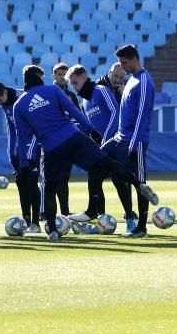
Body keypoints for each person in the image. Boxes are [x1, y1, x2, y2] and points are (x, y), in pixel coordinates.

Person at [13, 65, 159, 242]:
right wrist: (92, 130)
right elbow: (73, 111)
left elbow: (22, 137)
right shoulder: (52, 90)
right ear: (40, 80)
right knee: (105, 163)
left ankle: (52, 230)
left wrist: (23, 165)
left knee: (51, 188)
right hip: (73, 136)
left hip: (51, 148)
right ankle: (139, 184)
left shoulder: (19, 105)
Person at [101, 44, 156, 238]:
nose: (122, 67)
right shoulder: (131, 79)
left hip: (136, 140)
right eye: (120, 63)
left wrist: (134, 144)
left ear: (134, 59)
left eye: (124, 63)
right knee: (99, 159)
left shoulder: (144, 82)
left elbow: (142, 116)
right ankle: (96, 212)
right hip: (119, 137)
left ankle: (141, 226)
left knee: (140, 182)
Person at [67, 64, 133, 220]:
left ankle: (130, 217)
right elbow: (89, 126)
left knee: (119, 181)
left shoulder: (101, 90)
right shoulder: (84, 101)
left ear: (83, 77)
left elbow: (115, 112)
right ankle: (99, 217)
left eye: (75, 82)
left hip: (115, 144)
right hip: (99, 147)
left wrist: (105, 139)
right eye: (72, 84)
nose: (74, 87)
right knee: (94, 178)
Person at [0, 80, 42, 232]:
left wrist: (29, 154)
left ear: (4, 92)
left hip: (34, 146)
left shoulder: (23, 98)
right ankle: (26, 220)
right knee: (21, 183)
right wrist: (11, 153)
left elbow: (36, 126)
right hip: (20, 148)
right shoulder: (5, 103)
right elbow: (12, 128)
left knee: (31, 182)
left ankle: (36, 223)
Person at [51, 62, 78, 215]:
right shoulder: (48, 92)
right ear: (53, 75)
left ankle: (64, 212)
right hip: (51, 141)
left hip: (67, 140)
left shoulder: (72, 95)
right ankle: (47, 211)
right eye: (59, 74)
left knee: (63, 178)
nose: (62, 77)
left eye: (64, 75)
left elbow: (77, 115)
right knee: (50, 180)